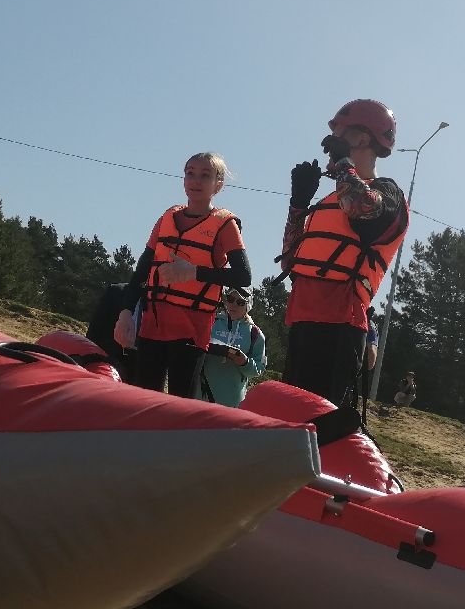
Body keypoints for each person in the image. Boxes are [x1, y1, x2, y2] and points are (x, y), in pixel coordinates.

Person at [280, 99, 408, 407]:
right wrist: (298, 205)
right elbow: (289, 261)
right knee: (290, 423)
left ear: (363, 138)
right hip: (301, 320)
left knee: (323, 427)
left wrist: (342, 165)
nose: (330, 140)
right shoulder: (330, 199)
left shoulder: (388, 194)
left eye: (339, 132)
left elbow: (361, 207)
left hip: (340, 326)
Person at [114, 153, 250, 397]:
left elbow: (243, 276)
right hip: (153, 324)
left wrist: (193, 272)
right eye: (190, 173)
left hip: (191, 329)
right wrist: (125, 313)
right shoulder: (166, 218)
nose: (195, 180)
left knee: (181, 402)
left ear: (218, 185)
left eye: (205, 175)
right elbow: (142, 271)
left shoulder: (225, 225)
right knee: (142, 398)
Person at [198, 286, 266, 407]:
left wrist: (244, 362)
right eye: (230, 299)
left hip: (232, 399)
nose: (233, 305)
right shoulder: (211, 321)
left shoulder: (255, 334)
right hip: (201, 395)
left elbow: (258, 369)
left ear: (247, 305)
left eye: (240, 302)